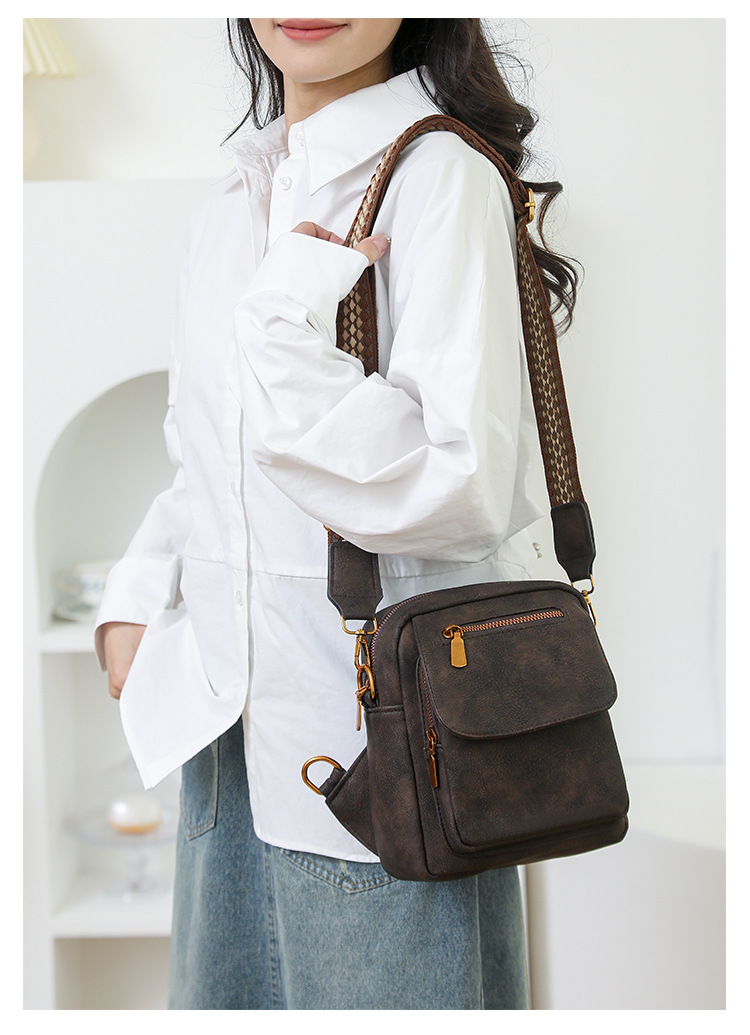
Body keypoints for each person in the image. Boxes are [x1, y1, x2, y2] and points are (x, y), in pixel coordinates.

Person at [95, 17, 580, 1010]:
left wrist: (279, 326)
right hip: (223, 735)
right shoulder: (229, 204)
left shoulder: (440, 177)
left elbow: (457, 484)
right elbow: (204, 457)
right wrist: (135, 598)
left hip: (390, 755)